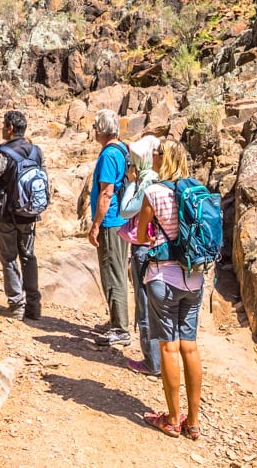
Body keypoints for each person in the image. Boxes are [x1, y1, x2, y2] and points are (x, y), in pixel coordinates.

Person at [136, 139, 204, 439]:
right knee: (190, 346)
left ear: (165, 159)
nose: (154, 156)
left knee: (168, 346)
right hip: (194, 278)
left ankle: (173, 419)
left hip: (163, 278)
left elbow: (140, 236)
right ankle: (194, 421)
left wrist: (153, 238)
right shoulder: (197, 191)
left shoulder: (154, 192)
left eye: (157, 153)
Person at [0, 109, 45, 320]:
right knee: (28, 256)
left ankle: (16, 304)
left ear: (10, 128)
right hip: (30, 214)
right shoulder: (36, 151)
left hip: (7, 214)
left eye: (3, 125)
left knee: (9, 258)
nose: (2, 128)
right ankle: (34, 306)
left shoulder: (3, 153)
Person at [119, 134, 162, 377]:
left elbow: (127, 211)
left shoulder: (146, 181)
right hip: (158, 247)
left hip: (143, 247)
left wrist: (132, 183)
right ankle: (160, 358)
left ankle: (151, 361)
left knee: (144, 303)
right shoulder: (162, 179)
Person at [88, 108, 130, 346]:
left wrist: (95, 225)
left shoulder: (108, 155)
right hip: (121, 220)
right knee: (117, 270)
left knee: (112, 273)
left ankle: (121, 329)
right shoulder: (122, 149)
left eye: (95, 127)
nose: (94, 131)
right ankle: (117, 319)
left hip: (111, 222)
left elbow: (106, 193)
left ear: (103, 130)